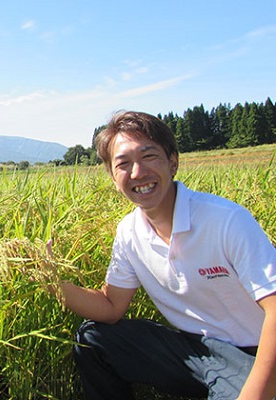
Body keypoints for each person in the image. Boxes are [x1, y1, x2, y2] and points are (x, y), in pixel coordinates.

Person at [46, 111, 276, 400]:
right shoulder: (129, 232)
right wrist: (51, 281)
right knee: (94, 338)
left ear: (173, 162)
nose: (137, 173)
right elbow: (110, 306)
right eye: (123, 164)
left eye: (149, 157)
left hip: (253, 355)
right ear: (112, 176)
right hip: (194, 352)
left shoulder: (224, 220)